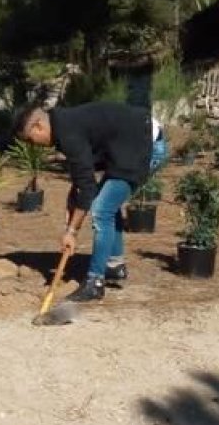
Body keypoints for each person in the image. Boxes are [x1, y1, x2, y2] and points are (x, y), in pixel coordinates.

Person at [14, 101, 168, 302]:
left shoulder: (67, 132)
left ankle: (95, 283)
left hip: (145, 145)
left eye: (31, 140)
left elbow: (87, 189)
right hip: (126, 147)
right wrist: (72, 203)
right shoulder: (62, 124)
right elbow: (82, 177)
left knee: (101, 210)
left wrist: (71, 232)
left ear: (39, 126)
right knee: (106, 204)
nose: (34, 146)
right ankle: (114, 265)